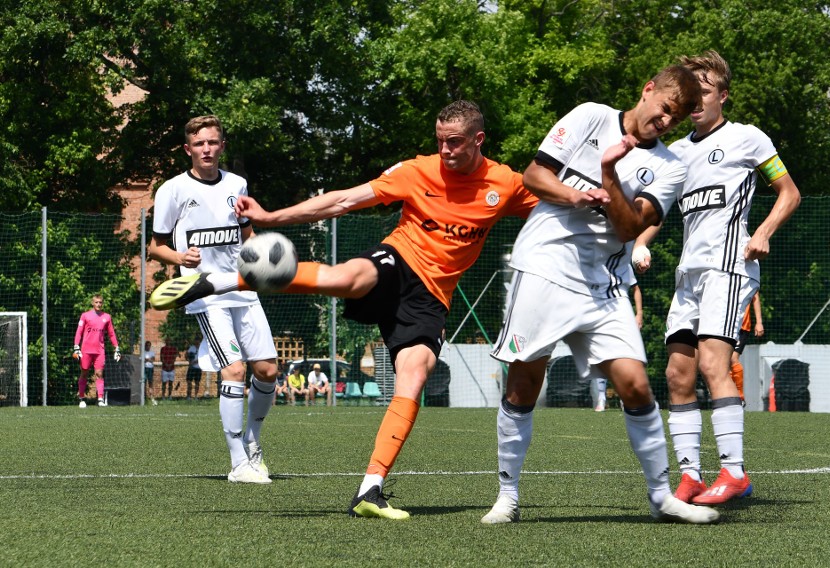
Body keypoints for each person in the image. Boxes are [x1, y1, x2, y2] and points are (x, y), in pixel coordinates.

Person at [149, 100, 540, 519]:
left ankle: (370, 489)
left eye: (455, 143)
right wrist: (273, 217)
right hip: (398, 261)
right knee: (346, 279)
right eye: (439, 141)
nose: (444, 150)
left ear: (478, 140)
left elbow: (556, 211)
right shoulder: (417, 170)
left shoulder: (507, 183)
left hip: (432, 298)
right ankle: (219, 281)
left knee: (415, 376)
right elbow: (342, 201)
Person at [483, 65, 720, 525]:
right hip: (543, 267)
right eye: (666, 108)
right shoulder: (591, 116)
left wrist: (608, 172)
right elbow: (534, 175)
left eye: (678, 117)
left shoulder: (671, 167)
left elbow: (632, 227)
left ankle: (661, 497)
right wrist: (573, 196)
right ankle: (507, 496)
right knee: (524, 382)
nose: (667, 121)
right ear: (647, 89)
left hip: (602, 284)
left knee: (635, 384)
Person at [632, 51, 800, 505]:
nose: (695, 101)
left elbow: (790, 192)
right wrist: (641, 241)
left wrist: (763, 232)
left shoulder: (749, 139)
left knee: (712, 365)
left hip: (729, 267)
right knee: (677, 374)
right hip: (689, 275)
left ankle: (734, 472)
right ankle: (690, 476)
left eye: (704, 92)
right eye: (689, 95)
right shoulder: (678, 152)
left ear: (723, 96)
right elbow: (657, 209)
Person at [148, 114, 279, 484]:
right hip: (205, 292)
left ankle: (253, 444)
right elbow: (155, 246)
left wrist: (266, 256)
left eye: (212, 142)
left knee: (268, 371)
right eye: (199, 143)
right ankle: (239, 464)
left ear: (222, 146)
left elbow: (246, 232)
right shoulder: (172, 190)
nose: (206, 149)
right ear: (188, 149)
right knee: (235, 370)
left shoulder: (237, 183)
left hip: (242, 287)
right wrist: (179, 258)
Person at [591, 283, 643, 412]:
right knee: (601, 356)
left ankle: (625, 398)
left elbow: (636, 288)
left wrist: (639, 314)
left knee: (624, 357)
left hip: (622, 319)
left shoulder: (622, 265)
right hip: (600, 317)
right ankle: (602, 398)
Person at [73, 294, 121, 408]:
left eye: (100, 302)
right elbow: (79, 331)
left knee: (99, 374)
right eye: (96, 302)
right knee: (84, 372)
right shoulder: (85, 316)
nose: (98, 304)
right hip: (86, 350)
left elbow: (111, 333)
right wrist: (76, 346)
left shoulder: (107, 317)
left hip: (100, 351)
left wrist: (117, 347)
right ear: (92, 303)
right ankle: (81, 398)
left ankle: (100, 399)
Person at [731, 291, 763, 400]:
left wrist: (759, 322)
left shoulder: (747, 277)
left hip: (741, 327)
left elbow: (755, 298)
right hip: (723, 325)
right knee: (721, 363)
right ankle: (727, 395)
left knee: (732, 359)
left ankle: (739, 396)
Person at [144, 340, 158, 405]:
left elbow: (153, 359)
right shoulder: (143, 352)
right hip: (144, 369)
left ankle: (151, 397)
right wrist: (148, 360)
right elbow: (143, 360)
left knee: (150, 384)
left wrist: (147, 360)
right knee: (143, 383)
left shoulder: (152, 353)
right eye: (147, 345)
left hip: (150, 369)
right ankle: (144, 397)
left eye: (149, 345)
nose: (148, 347)